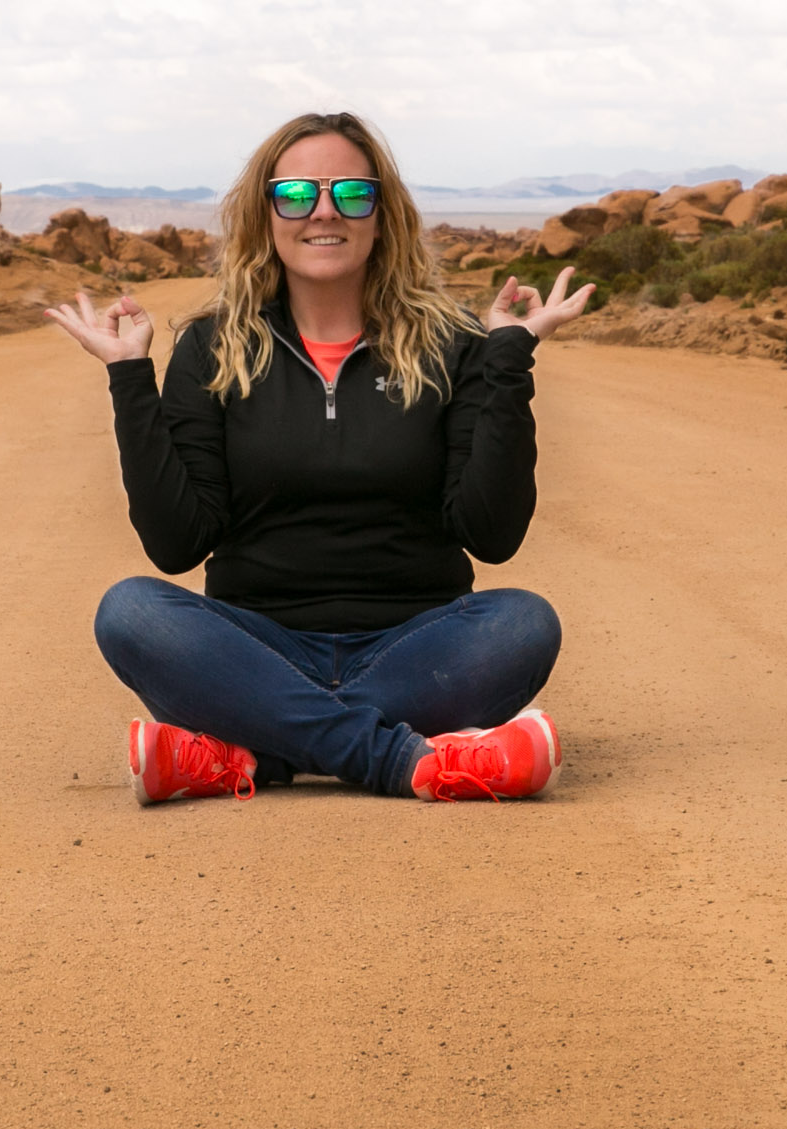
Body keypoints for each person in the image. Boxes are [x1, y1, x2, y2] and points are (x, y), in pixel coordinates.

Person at [47, 110, 591, 805]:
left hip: (417, 647)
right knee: (131, 612)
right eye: (298, 194)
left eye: (352, 194)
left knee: (523, 622)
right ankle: (400, 760)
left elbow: (491, 533)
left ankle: (255, 754)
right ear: (266, 213)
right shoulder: (212, 347)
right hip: (258, 644)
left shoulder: (453, 344)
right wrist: (129, 377)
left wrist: (509, 357)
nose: (324, 213)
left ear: (382, 214)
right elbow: (177, 545)